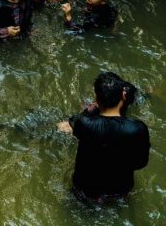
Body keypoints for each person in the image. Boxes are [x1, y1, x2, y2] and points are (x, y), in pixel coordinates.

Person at [59, 72, 151, 203]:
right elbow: (141, 163)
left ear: (97, 98)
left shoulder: (84, 123)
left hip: (84, 192)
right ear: (123, 95)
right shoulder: (138, 129)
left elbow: (76, 121)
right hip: (119, 193)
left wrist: (87, 110)